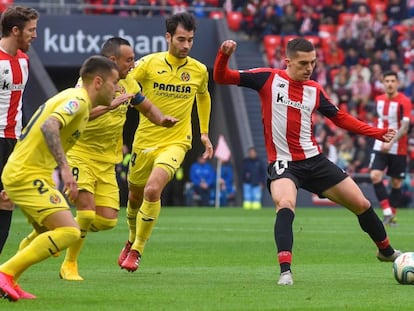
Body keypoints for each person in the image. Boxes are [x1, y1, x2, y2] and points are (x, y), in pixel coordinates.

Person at [213, 38, 401, 286]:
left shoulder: (314, 89)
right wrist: (224, 55)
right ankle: (285, 271)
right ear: (287, 61)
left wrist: (375, 132)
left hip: (315, 160)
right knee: (286, 204)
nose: (309, 68)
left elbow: (341, 118)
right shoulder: (267, 78)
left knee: (362, 203)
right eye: (303, 63)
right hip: (283, 162)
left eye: (312, 62)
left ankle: (385, 251)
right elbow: (221, 77)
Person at [55, 37, 177, 281]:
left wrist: (161, 119)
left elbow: (146, 106)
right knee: (87, 213)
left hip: (107, 160)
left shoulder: (129, 82)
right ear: (113, 61)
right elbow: (83, 111)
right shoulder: (91, 82)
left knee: (108, 220)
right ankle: (69, 265)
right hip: (81, 152)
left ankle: (61, 231)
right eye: (129, 60)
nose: (133, 64)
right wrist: (110, 105)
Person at [0, 55, 119, 301]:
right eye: (114, 82)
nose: (117, 88)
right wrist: (65, 170)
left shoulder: (77, 100)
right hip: (27, 174)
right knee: (69, 232)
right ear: (98, 82)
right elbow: (49, 126)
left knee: (52, 232)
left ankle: (12, 279)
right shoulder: (77, 100)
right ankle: (5, 273)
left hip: (31, 173)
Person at [118, 12, 213, 272]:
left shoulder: (199, 70)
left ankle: (137, 249)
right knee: (135, 196)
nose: (186, 46)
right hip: (145, 141)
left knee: (152, 190)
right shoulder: (147, 64)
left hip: (177, 141)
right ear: (168, 37)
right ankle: (130, 238)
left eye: (190, 40)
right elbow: (125, 84)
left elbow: (203, 96)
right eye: (181, 39)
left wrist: (203, 133)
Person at [0, 6, 39, 257]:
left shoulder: (24, 61)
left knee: (6, 201)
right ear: (15, 31)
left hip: (13, 141)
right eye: (31, 30)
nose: (35, 35)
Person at [369, 71, 411, 226]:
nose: (390, 84)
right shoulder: (378, 100)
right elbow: (376, 121)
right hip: (380, 145)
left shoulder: (404, 101)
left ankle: (391, 216)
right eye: (387, 81)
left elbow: (405, 127)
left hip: (398, 147)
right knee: (375, 176)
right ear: (383, 83)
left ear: (397, 83)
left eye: (393, 81)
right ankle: (387, 211)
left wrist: (391, 141)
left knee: (396, 184)